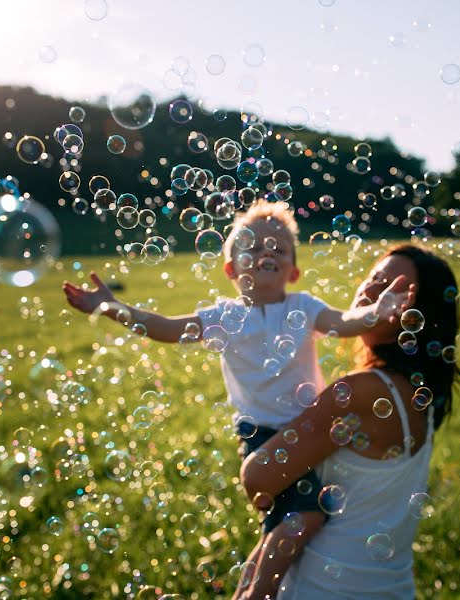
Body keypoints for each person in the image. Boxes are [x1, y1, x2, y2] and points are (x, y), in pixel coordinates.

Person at [62, 200, 415, 598]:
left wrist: (376, 311)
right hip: (263, 436)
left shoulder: (304, 307)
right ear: (231, 269)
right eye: (254, 247)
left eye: (279, 250)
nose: (267, 253)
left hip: (308, 431)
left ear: (293, 271)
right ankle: (260, 593)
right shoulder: (224, 317)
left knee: (284, 519)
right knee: (307, 514)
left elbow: (343, 322)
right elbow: (166, 327)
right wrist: (114, 308)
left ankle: (247, 590)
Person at [239, 244, 460, 599]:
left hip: (322, 588)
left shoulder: (361, 392)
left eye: (392, 288)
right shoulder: (424, 396)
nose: (372, 291)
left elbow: (258, 479)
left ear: (418, 318)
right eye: (374, 277)